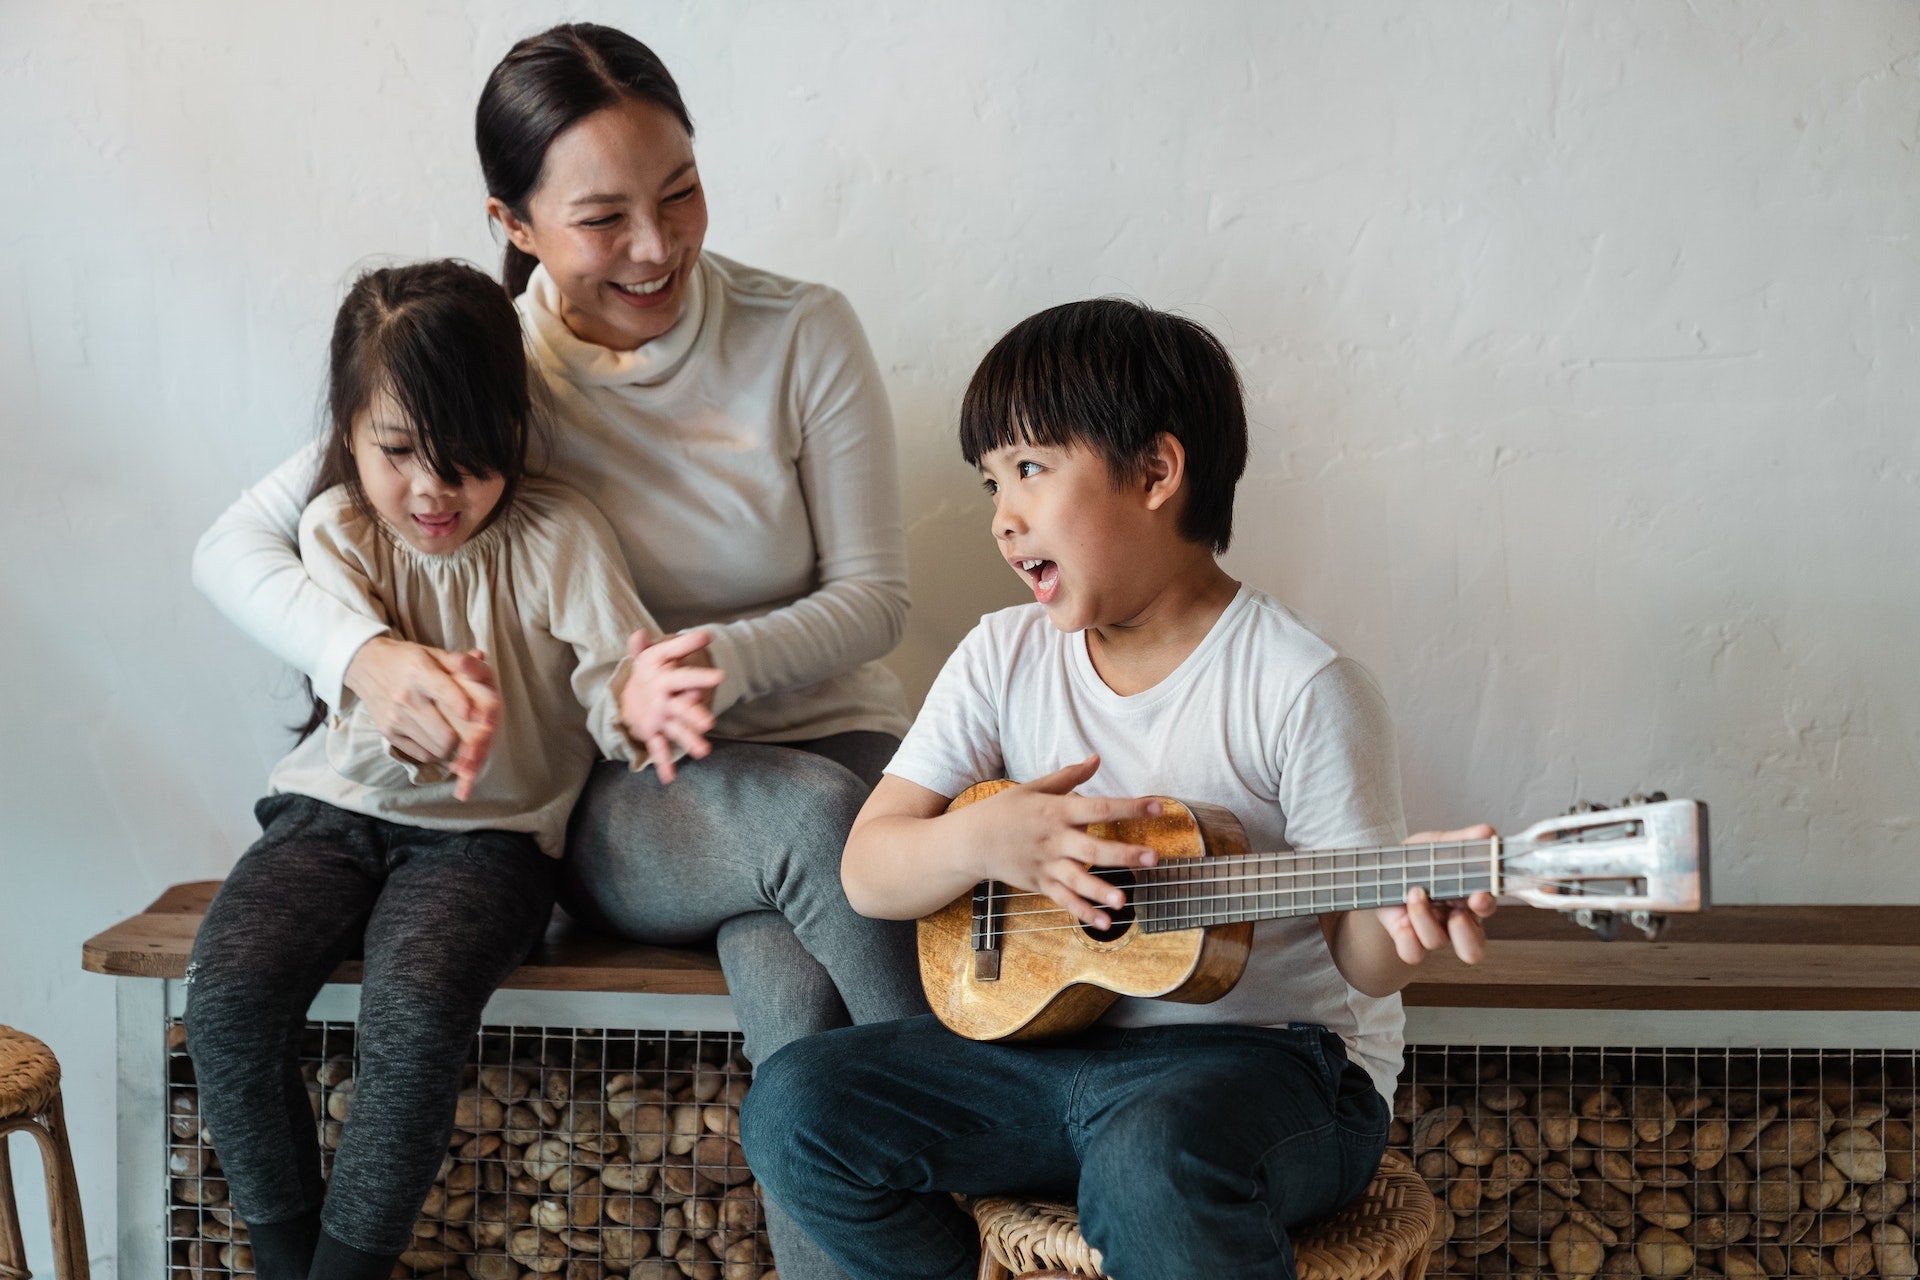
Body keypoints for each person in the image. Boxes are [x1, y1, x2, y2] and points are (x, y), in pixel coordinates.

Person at [192, 25, 928, 1277]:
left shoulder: (803, 331)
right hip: (642, 796)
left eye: (680, 190)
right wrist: (366, 658)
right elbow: (235, 544)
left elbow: (875, 597)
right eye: (603, 218)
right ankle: (988, 1127)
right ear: (516, 221)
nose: (657, 246)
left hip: (838, 744)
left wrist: (702, 665)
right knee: (810, 821)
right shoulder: (478, 370)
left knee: (791, 991)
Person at [738, 299, 1499, 1280]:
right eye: (991, 481)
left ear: (1156, 471)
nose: (1003, 515)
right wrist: (988, 841)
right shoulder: (1000, 656)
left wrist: (1407, 926)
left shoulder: (1301, 685)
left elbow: (1362, 958)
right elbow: (869, 871)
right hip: (1051, 1059)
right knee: (798, 1104)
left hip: (1273, 1071)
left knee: (1150, 1160)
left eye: (1031, 468)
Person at [184, 259, 668, 1280]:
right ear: (347, 433)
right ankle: (288, 1258)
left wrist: (644, 707)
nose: (432, 490)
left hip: (487, 839)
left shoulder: (561, 535)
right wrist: (406, 712)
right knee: (228, 991)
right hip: (329, 810)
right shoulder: (336, 529)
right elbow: (361, 705)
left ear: (514, 429)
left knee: (413, 1005)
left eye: (466, 456)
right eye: (397, 450)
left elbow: (616, 681)